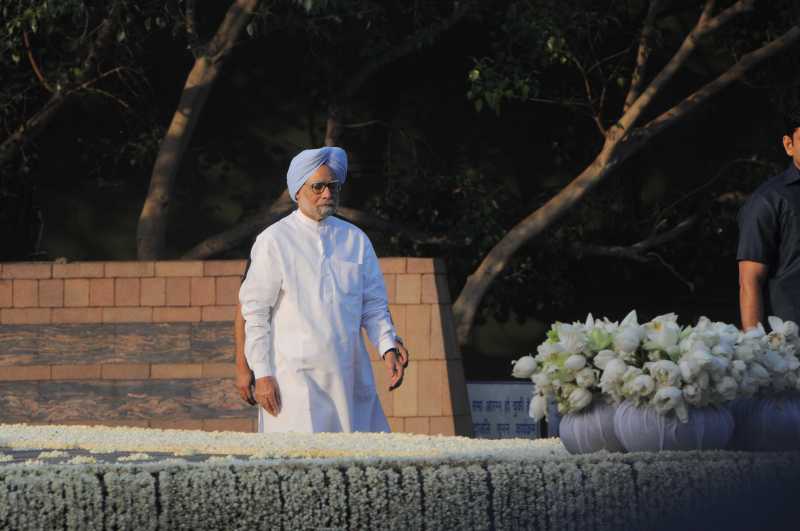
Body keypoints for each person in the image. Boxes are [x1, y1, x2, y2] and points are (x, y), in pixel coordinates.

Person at [238, 146, 408, 432]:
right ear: (298, 191)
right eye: (318, 187)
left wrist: (388, 346)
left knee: (360, 464)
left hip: (349, 373)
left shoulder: (356, 240)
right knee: (301, 467)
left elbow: (373, 305)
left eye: (333, 186)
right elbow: (254, 313)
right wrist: (262, 373)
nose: (327, 194)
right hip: (293, 380)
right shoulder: (274, 240)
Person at [738, 108, 800, 330]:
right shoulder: (768, 200)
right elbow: (749, 280)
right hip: (790, 339)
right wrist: (754, 348)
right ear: (788, 144)